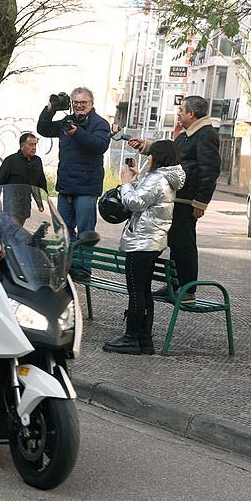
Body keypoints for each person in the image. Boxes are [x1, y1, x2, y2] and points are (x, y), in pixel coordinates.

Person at [128, 95, 221, 304]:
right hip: (176, 198)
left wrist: (200, 203)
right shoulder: (186, 135)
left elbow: (210, 170)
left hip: (187, 201)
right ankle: (176, 285)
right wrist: (147, 147)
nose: (178, 113)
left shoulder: (205, 135)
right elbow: (171, 155)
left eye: (181, 109)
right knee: (176, 243)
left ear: (191, 113)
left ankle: (188, 290)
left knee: (184, 244)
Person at [103, 140, 185, 355]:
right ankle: (144, 339)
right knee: (143, 290)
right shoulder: (165, 178)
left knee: (136, 291)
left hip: (142, 241)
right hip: (152, 240)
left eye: (150, 155)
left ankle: (132, 338)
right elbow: (147, 198)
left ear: (158, 157)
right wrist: (137, 177)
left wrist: (125, 183)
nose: (148, 157)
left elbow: (135, 203)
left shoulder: (158, 178)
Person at [36, 87, 110, 280]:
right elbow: (43, 129)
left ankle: (83, 270)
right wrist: (50, 108)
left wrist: (77, 133)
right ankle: (68, 266)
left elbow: (99, 145)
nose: (79, 106)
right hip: (66, 186)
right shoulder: (66, 122)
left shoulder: (100, 123)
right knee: (65, 231)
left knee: (86, 232)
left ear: (91, 103)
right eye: (75, 103)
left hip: (86, 188)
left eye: (83, 103)